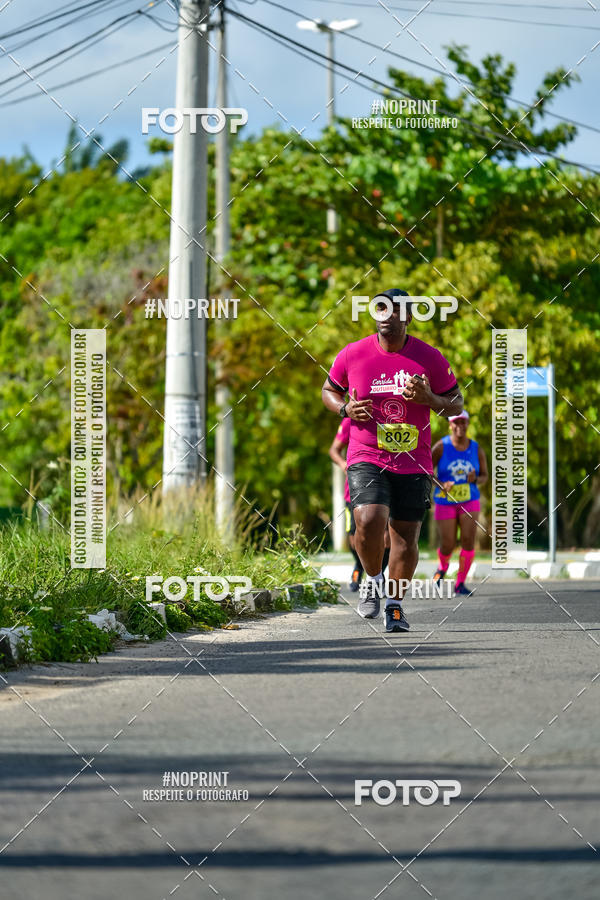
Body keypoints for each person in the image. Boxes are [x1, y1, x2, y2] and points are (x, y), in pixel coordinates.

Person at [321, 288, 464, 632]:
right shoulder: (353, 354)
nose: (386, 315)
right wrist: (344, 408)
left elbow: (456, 403)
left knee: (405, 538)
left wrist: (430, 397)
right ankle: (372, 579)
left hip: (414, 460)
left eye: (394, 310)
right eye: (380, 309)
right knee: (368, 520)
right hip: (366, 454)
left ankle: (395, 606)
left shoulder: (428, 357)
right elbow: (329, 390)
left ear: (408, 317)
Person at [329, 419, 390, 591]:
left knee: (386, 538)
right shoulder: (351, 419)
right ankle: (359, 566)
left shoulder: (391, 414)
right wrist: (344, 465)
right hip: (356, 488)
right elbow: (334, 450)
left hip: (387, 484)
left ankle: (378, 576)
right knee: (356, 539)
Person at [431, 410, 488, 595]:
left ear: (468, 424)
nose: (460, 426)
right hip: (445, 500)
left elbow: (484, 476)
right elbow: (426, 471)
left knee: (468, 541)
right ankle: (442, 567)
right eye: (456, 422)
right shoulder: (441, 447)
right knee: (447, 543)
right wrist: (441, 483)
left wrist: (475, 478)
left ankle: (460, 583)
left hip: (469, 499)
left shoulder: (476, 448)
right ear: (450, 424)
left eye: (463, 422)